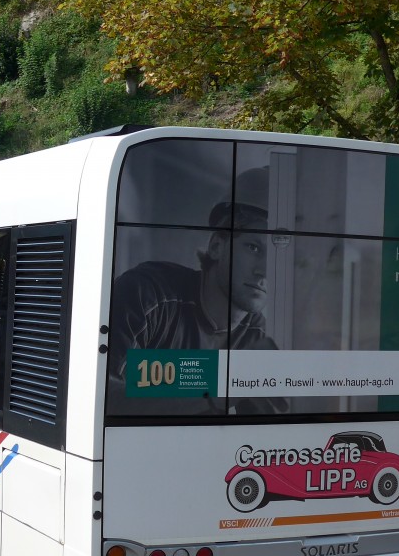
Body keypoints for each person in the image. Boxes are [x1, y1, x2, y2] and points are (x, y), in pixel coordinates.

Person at [107, 168, 286, 414]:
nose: (264, 272)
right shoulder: (149, 297)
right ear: (216, 247)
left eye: (278, 258)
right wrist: (222, 389)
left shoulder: (258, 336)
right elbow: (101, 399)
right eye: (253, 247)